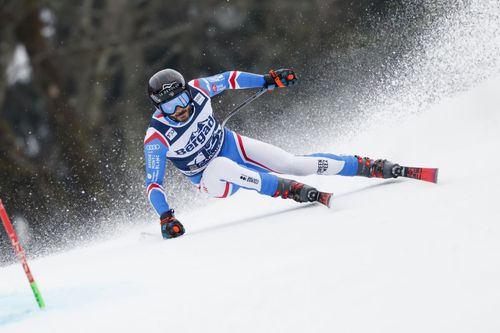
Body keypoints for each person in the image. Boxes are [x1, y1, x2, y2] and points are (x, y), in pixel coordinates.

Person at [144, 68, 401, 239]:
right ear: (158, 108)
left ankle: (366, 166)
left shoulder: (198, 89)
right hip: (211, 181)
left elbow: (230, 78)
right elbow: (153, 183)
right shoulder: (156, 137)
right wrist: (166, 217)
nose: (179, 109)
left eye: (180, 100)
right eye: (168, 105)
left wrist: (267, 79)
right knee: (221, 165)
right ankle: (286, 189)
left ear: (187, 92)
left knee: (293, 162)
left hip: (232, 145)